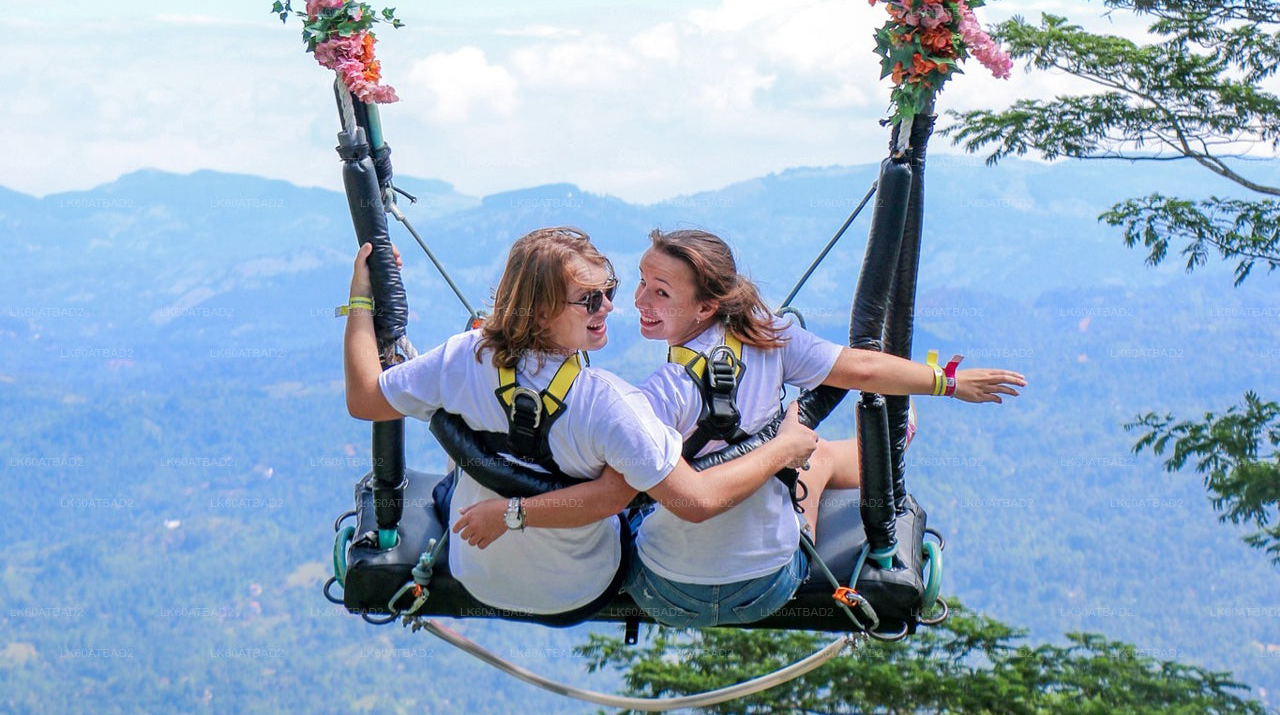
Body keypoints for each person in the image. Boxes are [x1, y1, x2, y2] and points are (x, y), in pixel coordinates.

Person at [343, 227, 818, 621]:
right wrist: (782, 445)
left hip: (478, 573)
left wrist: (360, 300)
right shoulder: (613, 404)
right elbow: (649, 499)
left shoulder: (461, 357)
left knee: (455, 482)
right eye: (591, 300)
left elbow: (365, 398)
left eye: (608, 290)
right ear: (543, 311)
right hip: (579, 589)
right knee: (640, 505)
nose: (612, 306)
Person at [620, 228, 1026, 627]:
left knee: (638, 509)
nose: (640, 299)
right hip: (766, 586)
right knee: (809, 458)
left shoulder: (658, 394)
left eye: (661, 292)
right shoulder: (769, 336)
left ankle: (862, 447)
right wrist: (949, 382)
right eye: (641, 282)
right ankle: (886, 447)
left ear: (706, 308)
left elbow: (656, 494)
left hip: (666, 591)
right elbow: (863, 367)